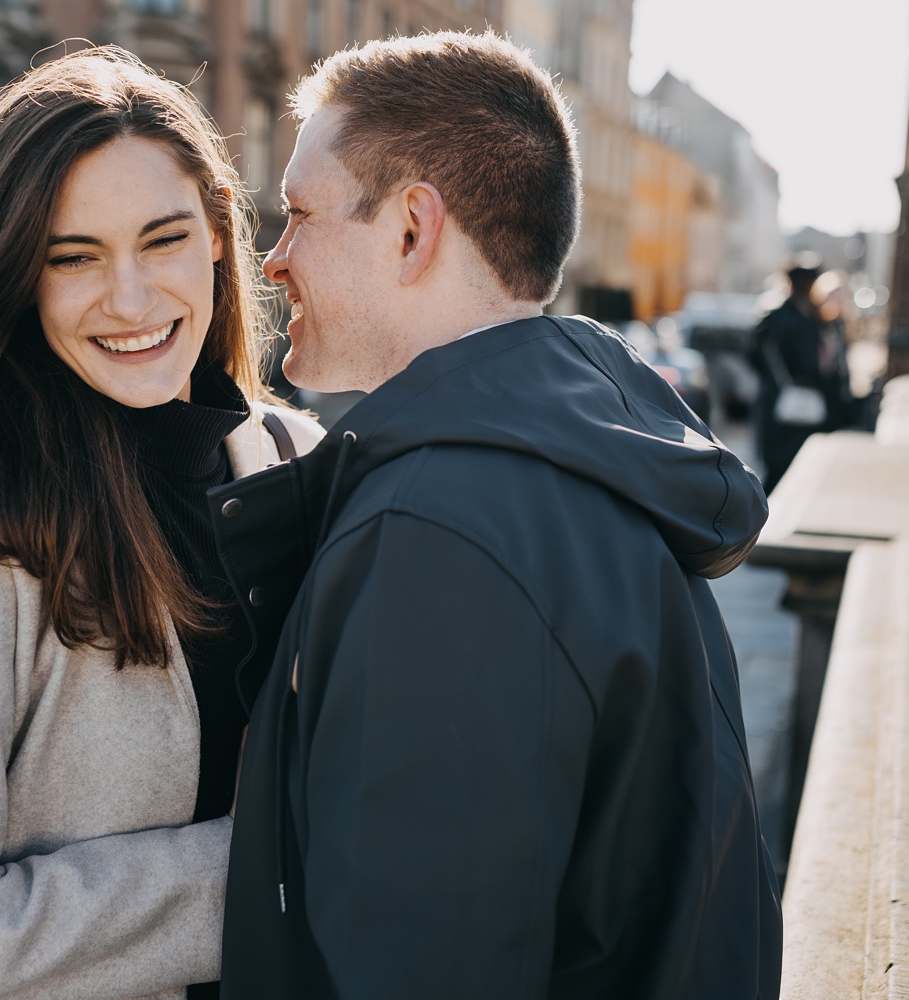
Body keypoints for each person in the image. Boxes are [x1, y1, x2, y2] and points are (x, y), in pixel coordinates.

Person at [209, 31, 782, 999]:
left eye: (299, 213)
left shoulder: (442, 535)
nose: (273, 258)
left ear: (410, 229)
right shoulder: (579, 462)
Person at [0, 47, 321, 1000]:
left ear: (219, 236)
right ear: (19, 277)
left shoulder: (298, 462)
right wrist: (273, 868)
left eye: (164, 239)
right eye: (74, 257)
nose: (133, 300)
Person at [751, 263, 853, 492]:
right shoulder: (799, 320)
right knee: (785, 470)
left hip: (781, 401)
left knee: (781, 469)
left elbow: (755, 358)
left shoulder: (781, 317)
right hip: (793, 403)